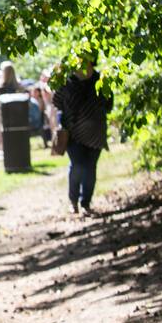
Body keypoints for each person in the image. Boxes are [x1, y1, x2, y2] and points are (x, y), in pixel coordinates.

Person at [52, 56, 112, 216]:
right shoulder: (67, 81)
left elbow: (109, 104)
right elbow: (56, 101)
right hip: (73, 134)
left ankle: (85, 202)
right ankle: (73, 201)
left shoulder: (100, 79)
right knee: (78, 166)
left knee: (90, 168)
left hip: (96, 133)